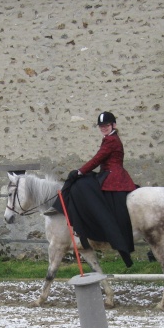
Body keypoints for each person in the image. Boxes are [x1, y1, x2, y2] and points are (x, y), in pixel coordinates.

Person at [55, 111, 138, 267]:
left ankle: (84, 226)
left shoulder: (111, 140)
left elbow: (97, 159)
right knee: (82, 183)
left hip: (113, 176)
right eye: (101, 126)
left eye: (106, 125)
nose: (103, 128)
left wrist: (79, 172)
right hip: (107, 174)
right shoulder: (109, 138)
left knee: (80, 185)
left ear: (113, 125)